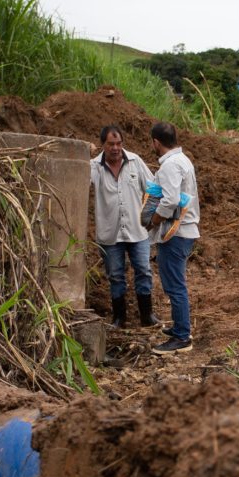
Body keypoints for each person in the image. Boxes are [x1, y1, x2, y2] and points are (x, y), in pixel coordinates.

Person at [89, 125, 158, 328]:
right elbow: (79, 184)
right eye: (111, 144)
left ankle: (147, 315)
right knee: (115, 275)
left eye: (119, 144)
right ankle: (119, 318)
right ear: (103, 145)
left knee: (144, 270)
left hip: (138, 231)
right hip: (110, 233)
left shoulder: (135, 162)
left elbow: (154, 189)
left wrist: (149, 218)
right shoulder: (94, 167)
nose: (115, 148)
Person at [147, 121, 200, 355]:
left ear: (156, 142)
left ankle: (182, 337)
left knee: (174, 285)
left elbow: (170, 200)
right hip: (183, 231)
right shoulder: (183, 160)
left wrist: (153, 220)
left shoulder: (170, 165)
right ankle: (180, 327)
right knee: (175, 283)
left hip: (176, 233)